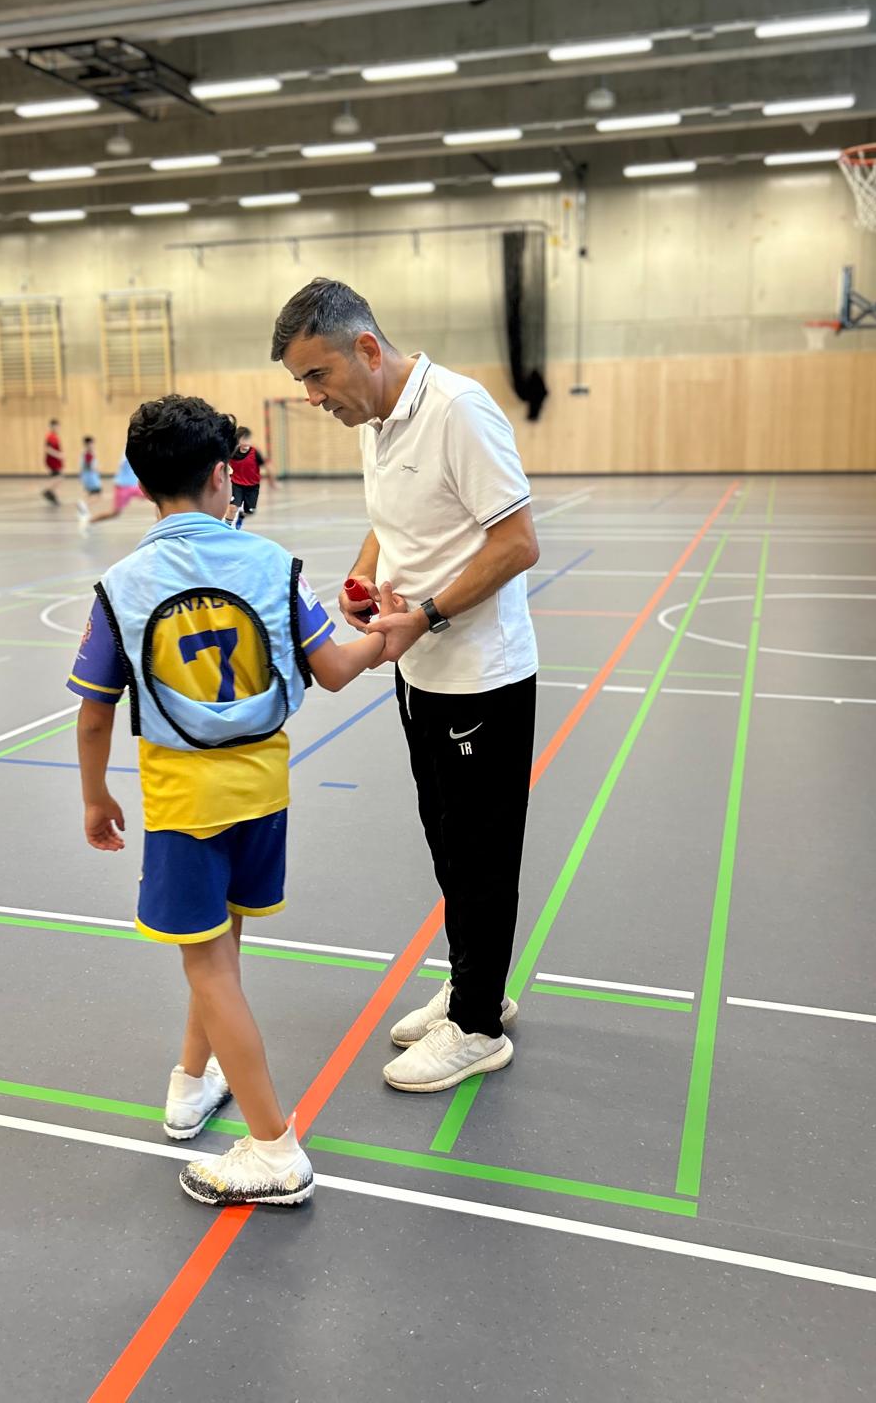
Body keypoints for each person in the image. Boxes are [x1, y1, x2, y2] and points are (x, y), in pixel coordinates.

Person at [67, 394, 395, 1207]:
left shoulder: (121, 584)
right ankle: (191, 1082)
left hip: (185, 803)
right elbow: (336, 668)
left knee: (208, 962)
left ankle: (274, 1148)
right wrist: (397, 630)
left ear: (144, 484)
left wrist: (95, 796)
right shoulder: (273, 564)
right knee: (220, 944)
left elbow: (95, 712)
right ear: (223, 475)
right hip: (263, 791)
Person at [273, 278, 540, 1096]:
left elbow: (518, 542)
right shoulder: (378, 420)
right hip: (421, 672)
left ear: (366, 349)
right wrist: (363, 576)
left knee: (480, 854)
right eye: (301, 382)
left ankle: (479, 1027)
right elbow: (390, 519)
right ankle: (473, 986)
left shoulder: (458, 410)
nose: (312, 397)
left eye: (317, 376)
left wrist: (424, 613)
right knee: (446, 842)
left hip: (480, 679)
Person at [79, 449, 143, 532]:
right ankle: (91, 521)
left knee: (158, 498)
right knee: (115, 513)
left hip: (136, 485)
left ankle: (159, 527)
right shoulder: (128, 452)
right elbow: (123, 463)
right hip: (123, 486)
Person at [223, 426, 272, 529]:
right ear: (238, 440)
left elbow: (267, 465)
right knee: (232, 507)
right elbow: (223, 462)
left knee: (250, 511)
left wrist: (272, 480)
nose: (245, 441)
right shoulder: (233, 452)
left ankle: (241, 516)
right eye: (243, 439)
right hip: (237, 484)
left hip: (252, 486)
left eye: (247, 439)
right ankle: (226, 528)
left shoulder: (255, 453)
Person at [41, 418, 63, 505]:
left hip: (55, 461)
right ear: (53, 426)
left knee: (57, 478)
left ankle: (52, 494)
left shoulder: (54, 436)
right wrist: (57, 454)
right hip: (52, 461)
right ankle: (47, 491)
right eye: (57, 426)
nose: (58, 428)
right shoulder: (50, 436)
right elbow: (47, 449)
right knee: (58, 478)